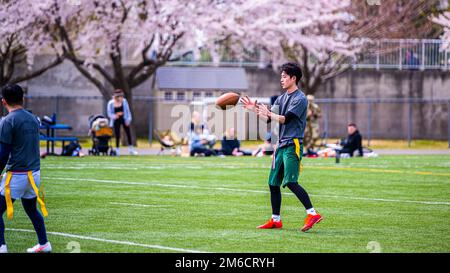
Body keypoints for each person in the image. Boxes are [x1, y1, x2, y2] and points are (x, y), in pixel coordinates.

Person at [241, 62, 322, 232]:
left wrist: (269, 113)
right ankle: (275, 220)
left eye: (284, 76)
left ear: (294, 78)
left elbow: (285, 118)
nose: (281, 79)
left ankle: (312, 213)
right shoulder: (281, 98)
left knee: (291, 182)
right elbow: (271, 120)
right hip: (281, 145)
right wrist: (254, 110)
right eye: (281, 76)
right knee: (272, 183)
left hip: (293, 144)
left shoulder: (300, 99)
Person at [0, 84, 51, 253]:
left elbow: (4, 153)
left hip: (17, 174)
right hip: (34, 174)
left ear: (3, 101)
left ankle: (1, 247)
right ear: (23, 99)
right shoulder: (33, 118)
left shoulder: (8, 121)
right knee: (30, 209)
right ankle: (44, 243)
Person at [107, 89, 137, 156]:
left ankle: (131, 150)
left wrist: (128, 120)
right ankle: (117, 150)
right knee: (117, 135)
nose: (121, 97)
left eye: (121, 96)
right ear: (116, 97)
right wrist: (115, 116)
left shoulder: (124, 101)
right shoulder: (111, 103)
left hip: (124, 119)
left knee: (128, 133)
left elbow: (128, 111)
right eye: (119, 96)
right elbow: (109, 113)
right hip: (116, 120)